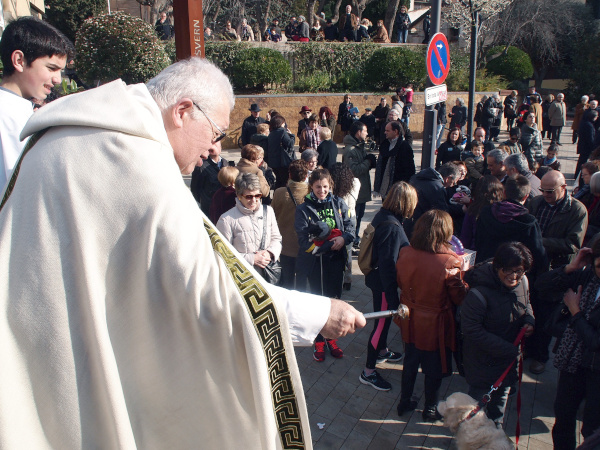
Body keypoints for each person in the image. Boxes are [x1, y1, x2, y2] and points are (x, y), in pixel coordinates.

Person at [0, 57, 366, 448]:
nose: (214, 148)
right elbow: (210, 288)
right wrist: (320, 313)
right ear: (183, 111)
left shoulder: (74, 133)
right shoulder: (139, 166)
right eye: (215, 133)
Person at [395, 210, 469, 420]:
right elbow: (459, 297)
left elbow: (400, 282)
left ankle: (404, 401)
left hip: (409, 316)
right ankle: (429, 408)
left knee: (410, 361)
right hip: (435, 323)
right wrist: (465, 277)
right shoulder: (450, 261)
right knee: (434, 367)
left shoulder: (406, 252)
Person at [461, 242, 535, 427]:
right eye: (508, 271)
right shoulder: (478, 294)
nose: (514, 276)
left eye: (519, 271)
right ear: (497, 266)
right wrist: (508, 349)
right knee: (474, 410)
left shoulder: (523, 282)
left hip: (507, 363)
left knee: (499, 407)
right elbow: (472, 331)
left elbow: (526, 304)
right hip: (483, 362)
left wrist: (529, 320)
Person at [534, 243, 600, 449]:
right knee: (563, 417)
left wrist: (576, 312)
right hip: (574, 361)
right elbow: (541, 285)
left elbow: (596, 342)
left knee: (591, 428)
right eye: (599, 266)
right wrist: (570, 268)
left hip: (596, 369)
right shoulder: (588, 276)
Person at [0, 17, 73, 191]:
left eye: (60, 71)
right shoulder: (10, 116)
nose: (57, 79)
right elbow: (20, 187)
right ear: (19, 60)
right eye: (51, 68)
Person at [528, 170, 588, 375]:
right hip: (532, 266)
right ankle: (527, 349)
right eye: (543, 190)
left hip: (555, 271)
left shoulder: (577, 210)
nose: (545, 194)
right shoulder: (536, 203)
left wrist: (540, 243)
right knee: (529, 309)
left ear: (564, 188)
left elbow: (573, 244)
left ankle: (540, 356)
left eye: (550, 191)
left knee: (545, 315)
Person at [361, 182, 417, 391]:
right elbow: (388, 265)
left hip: (378, 280)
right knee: (381, 324)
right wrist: (393, 297)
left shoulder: (383, 215)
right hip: (384, 284)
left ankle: (382, 350)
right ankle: (368, 371)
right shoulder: (393, 228)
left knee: (382, 323)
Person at [295, 169, 355, 361]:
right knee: (318, 303)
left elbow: (351, 226)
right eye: (318, 187)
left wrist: (344, 239)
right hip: (316, 263)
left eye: (325, 187)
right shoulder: (303, 209)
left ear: (331, 186)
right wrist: (328, 243)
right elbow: (304, 241)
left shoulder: (339, 203)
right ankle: (319, 340)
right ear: (311, 186)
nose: (322, 190)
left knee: (334, 300)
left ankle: (331, 338)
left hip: (335, 261)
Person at [475, 175, 547, 272]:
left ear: (504, 193)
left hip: (487, 269)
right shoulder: (528, 221)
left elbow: (478, 241)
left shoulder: (486, 212)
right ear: (526, 196)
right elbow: (537, 254)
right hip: (514, 275)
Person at [217, 171, 281, 277]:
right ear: (238, 195)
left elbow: (276, 238)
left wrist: (269, 253)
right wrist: (252, 259)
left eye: (257, 195)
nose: (254, 200)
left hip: (267, 274)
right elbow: (223, 254)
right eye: (249, 197)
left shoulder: (268, 211)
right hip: (242, 277)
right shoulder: (226, 219)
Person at [271, 160, 310, 289]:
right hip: (304, 245)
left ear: (289, 174)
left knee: (287, 281)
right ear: (306, 176)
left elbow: (273, 216)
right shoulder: (310, 193)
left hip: (285, 245)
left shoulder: (279, 192)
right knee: (302, 282)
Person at [404, 163, 461, 238]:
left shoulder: (417, 177)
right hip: (421, 228)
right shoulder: (437, 188)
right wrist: (460, 209)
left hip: (407, 221)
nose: (452, 185)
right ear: (448, 178)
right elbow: (442, 212)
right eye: (453, 182)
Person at [342, 121, 376, 246]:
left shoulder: (359, 146)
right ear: (358, 132)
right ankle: (352, 239)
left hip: (362, 189)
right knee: (354, 217)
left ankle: (355, 238)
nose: (367, 134)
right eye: (365, 131)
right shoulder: (350, 150)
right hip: (355, 191)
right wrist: (368, 162)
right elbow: (354, 170)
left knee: (359, 216)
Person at [330, 163, 360, 291]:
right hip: (352, 216)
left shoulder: (334, 187)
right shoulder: (356, 182)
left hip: (338, 217)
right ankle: (347, 279)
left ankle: (336, 276)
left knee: (336, 246)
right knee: (348, 249)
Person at [460, 175, 504, 250]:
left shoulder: (474, 210)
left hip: (477, 252)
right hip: (497, 253)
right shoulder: (503, 211)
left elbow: (465, 238)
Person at [374, 121, 416, 199]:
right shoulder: (385, 145)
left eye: (388, 131)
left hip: (398, 190)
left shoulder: (404, 147)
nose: (385, 132)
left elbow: (409, 170)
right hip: (385, 188)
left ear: (395, 131)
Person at [190, 136, 230, 216]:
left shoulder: (225, 163)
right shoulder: (201, 166)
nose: (215, 146)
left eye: (216, 143)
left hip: (225, 207)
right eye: (212, 144)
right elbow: (195, 189)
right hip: (210, 208)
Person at [267, 114, 296, 189]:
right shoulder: (282, 131)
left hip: (273, 162)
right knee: (284, 182)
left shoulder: (271, 133)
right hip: (282, 162)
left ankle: (276, 197)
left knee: (278, 181)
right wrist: (292, 135)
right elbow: (290, 144)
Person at [575, 110, 598, 182]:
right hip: (586, 148)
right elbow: (590, 139)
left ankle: (577, 174)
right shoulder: (589, 126)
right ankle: (579, 175)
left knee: (581, 161)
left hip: (582, 145)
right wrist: (593, 148)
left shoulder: (584, 122)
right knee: (583, 161)